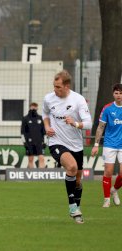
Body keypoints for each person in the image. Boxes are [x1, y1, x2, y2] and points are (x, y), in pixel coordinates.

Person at [42, 70, 92, 224]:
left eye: (58, 87)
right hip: (56, 142)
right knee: (71, 167)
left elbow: (89, 123)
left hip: (76, 145)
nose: (55, 90)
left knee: (77, 180)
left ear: (66, 86)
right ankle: (72, 206)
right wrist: (47, 127)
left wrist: (75, 123)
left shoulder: (78, 100)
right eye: (54, 86)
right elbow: (44, 114)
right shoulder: (49, 99)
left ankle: (77, 208)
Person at [91, 83, 122, 208]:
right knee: (108, 172)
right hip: (109, 144)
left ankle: (114, 190)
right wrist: (96, 144)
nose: (118, 95)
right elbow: (101, 127)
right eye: (116, 93)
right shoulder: (107, 108)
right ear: (113, 94)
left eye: (120, 93)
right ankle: (107, 199)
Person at [21, 102, 46, 168]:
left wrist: (45, 142)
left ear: (37, 108)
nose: (34, 108)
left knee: (41, 158)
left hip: (39, 142)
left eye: (35, 106)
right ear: (30, 107)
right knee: (30, 159)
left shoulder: (41, 118)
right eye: (32, 106)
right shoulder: (25, 118)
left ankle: (41, 175)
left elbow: (44, 132)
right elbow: (22, 132)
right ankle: (32, 175)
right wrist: (24, 143)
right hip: (29, 142)